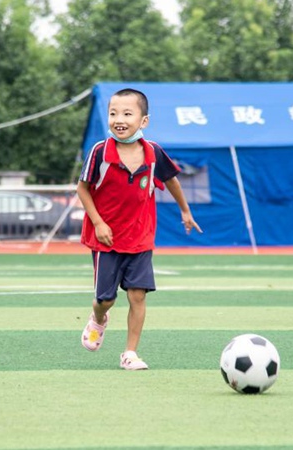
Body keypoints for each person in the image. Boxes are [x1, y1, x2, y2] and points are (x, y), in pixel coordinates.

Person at [76, 88, 202, 370]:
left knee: (137, 295)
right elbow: (82, 189)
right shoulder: (100, 152)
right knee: (105, 299)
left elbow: (171, 181)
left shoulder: (153, 152)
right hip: (105, 238)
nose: (119, 119)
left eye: (127, 113)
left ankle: (130, 353)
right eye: (113, 113)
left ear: (143, 121)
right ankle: (98, 318)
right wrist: (98, 222)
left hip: (140, 237)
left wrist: (185, 210)